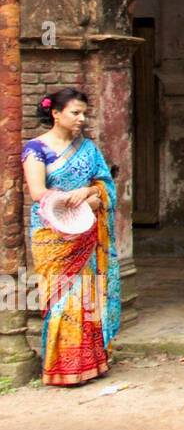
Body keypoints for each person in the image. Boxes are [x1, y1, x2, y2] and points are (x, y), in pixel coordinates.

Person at [20, 88, 120, 387]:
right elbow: (38, 193)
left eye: (84, 113)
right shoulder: (36, 149)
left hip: (86, 232)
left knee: (86, 297)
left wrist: (90, 193)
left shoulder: (88, 149)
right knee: (63, 300)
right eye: (75, 113)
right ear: (55, 114)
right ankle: (63, 368)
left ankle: (90, 364)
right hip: (53, 234)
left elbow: (104, 184)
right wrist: (76, 201)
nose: (81, 118)